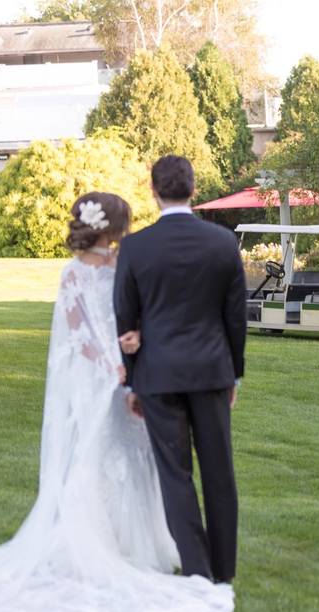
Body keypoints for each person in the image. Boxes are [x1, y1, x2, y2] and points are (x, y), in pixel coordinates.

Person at [0, 192, 233, 612]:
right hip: (97, 379)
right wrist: (113, 366)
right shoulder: (73, 273)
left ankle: (144, 544)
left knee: (138, 456)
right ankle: (96, 545)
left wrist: (135, 355)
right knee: (99, 455)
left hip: (133, 373)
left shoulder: (125, 264)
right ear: (110, 227)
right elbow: (78, 331)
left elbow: (138, 314)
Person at [115, 155, 247, 584]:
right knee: (219, 474)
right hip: (211, 372)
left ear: (153, 191)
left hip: (157, 374)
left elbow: (125, 318)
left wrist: (132, 379)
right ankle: (224, 573)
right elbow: (235, 318)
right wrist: (235, 375)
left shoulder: (135, 246)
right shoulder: (223, 243)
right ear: (194, 189)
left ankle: (197, 569)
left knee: (175, 476)